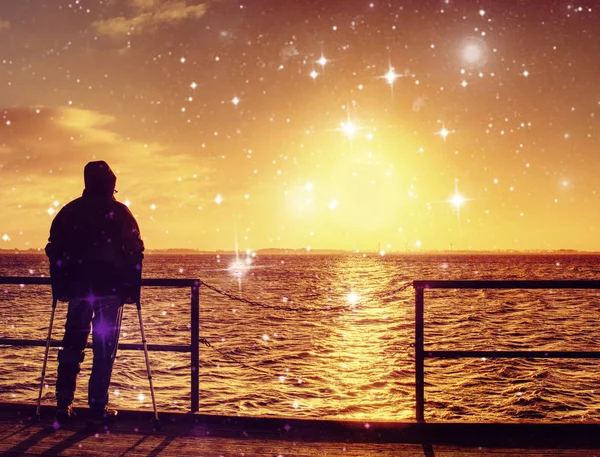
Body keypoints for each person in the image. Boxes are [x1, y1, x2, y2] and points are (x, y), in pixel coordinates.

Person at [45, 161, 144, 424]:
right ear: (111, 183)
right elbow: (135, 249)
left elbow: (54, 249)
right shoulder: (120, 212)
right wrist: (133, 289)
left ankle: (63, 403)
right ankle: (97, 407)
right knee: (104, 349)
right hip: (110, 291)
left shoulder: (69, 211)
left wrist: (60, 286)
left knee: (72, 344)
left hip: (78, 289)